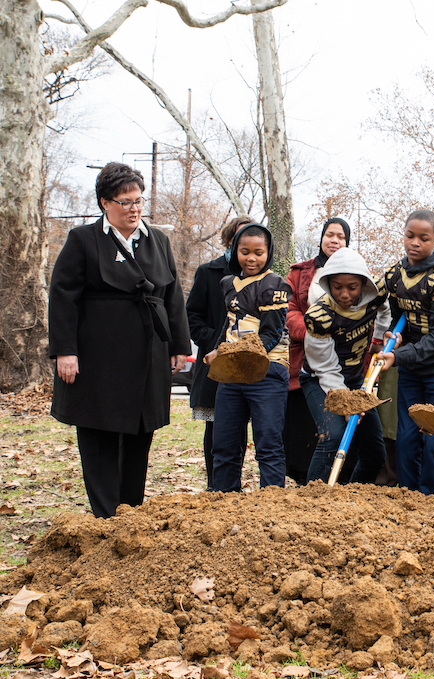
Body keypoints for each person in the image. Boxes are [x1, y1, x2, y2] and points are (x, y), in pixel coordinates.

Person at [49, 162, 190, 518]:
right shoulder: (83, 239)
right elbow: (63, 295)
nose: (134, 208)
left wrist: (178, 345)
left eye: (138, 200)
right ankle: (105, 515)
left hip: (148, 351)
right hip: (99, 354)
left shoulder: (157, 239)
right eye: (125, 201)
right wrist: (65, 351)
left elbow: (172, 295)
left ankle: (130, 511)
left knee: (140, 432)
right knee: (99, 432)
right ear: (104, 203)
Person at [376, 210, 434, 496]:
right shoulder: (395, 273)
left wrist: (397, 357)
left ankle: (432, 498)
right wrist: (394, 333)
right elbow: (396, 313)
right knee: (405, 436)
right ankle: (408, 494)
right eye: (410, 236)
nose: (415, 243)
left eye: (423, 238)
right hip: (413, 367)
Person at [206, 223, 293, 492]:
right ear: (234, 251)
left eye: (258, 252)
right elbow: (231, 323)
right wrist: (220, 348)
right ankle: (223, 496)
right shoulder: (227, 283)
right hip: (233, 373)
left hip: (267, 371)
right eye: (245, 252)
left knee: (267, 441)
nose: (251, 258)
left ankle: (271, 502)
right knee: (224, 442)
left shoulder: (276, 285)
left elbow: (273, 331)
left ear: (269, 254)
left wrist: (247, 355)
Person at [301, 247, 391, 484]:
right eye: (337, 286)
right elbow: (324, 367)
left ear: (363, 284)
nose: (343, 294)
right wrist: (346, 402)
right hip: (319, 379)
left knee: (374, 452)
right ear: (327, 283)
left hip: (355, 379)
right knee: (333, 436)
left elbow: (384, 310)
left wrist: (378, 340)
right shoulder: (320, 316)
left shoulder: (375, 295)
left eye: (352, 287)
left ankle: (353, 496)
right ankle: (313, 498)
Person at [186, 215, 253, 489]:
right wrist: (215, 343)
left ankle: (233, 485)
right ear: (230, 240)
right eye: (239, 238)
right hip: (215, 364)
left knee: (241, 429)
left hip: (249, 364)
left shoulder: (262, 277)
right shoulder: (208, 272)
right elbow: (193, 316)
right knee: (216, 428)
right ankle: (217, 487)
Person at [283, 218, 350, 484]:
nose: (334, 240)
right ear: (321, 238)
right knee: (302, 425)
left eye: (341, 236)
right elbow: (289, 311)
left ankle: (338, 480)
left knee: (336, 425)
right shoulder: (300, 272)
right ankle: (304, 480)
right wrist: (313, 332)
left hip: (342, 361)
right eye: (330, 235)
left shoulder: (356, 272)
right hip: (303, 359)